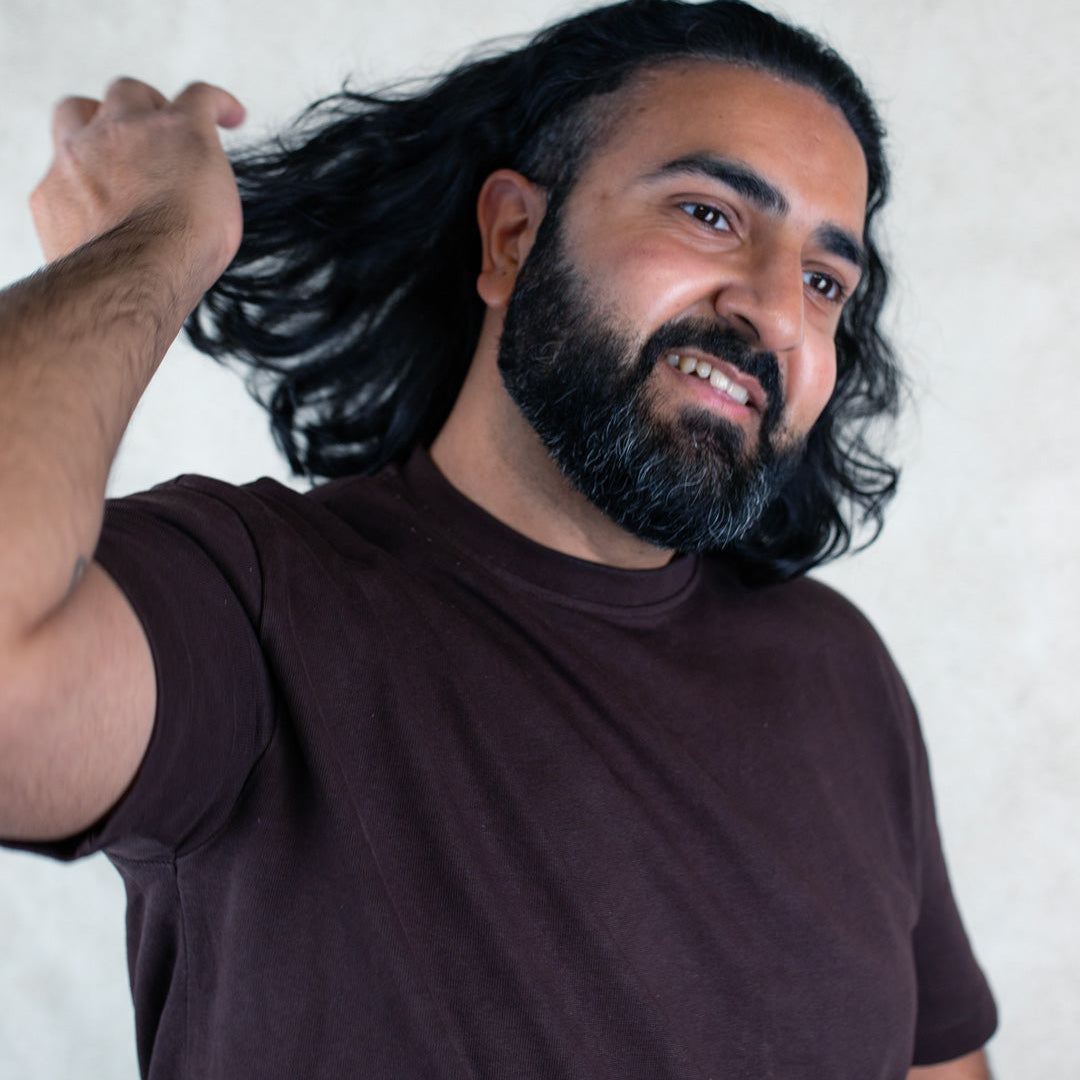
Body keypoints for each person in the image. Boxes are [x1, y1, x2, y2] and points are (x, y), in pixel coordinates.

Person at [0, 1, 997, 1077]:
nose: (775, 312)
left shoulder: (835, 668)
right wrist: (153, 244)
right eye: (710, 214)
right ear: (512, 237)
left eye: (824, 281)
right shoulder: (258, 601)